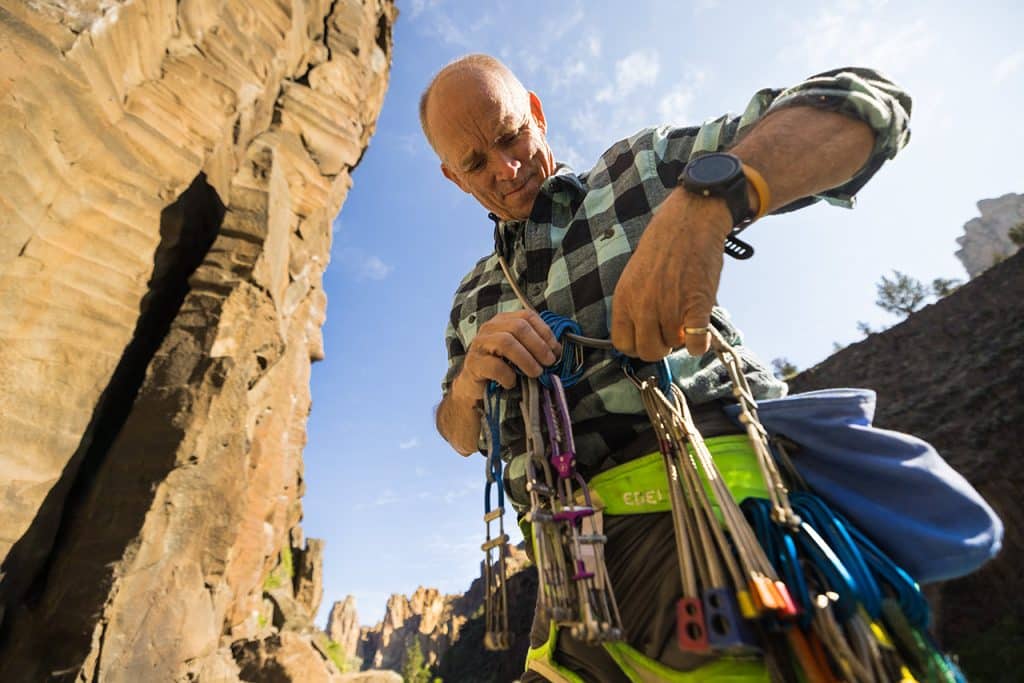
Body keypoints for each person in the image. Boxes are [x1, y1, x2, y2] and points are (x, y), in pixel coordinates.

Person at [421, 54, 911, 681]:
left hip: (716, 511)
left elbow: (867, 103)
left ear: (538, 115)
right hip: (564, 591)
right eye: (476, 164)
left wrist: (710, 200)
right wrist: (467, 385)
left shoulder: (640, 172)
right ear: (452, 179)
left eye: (512, 135)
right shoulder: (471, 300)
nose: (507, 169)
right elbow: (457, 433)